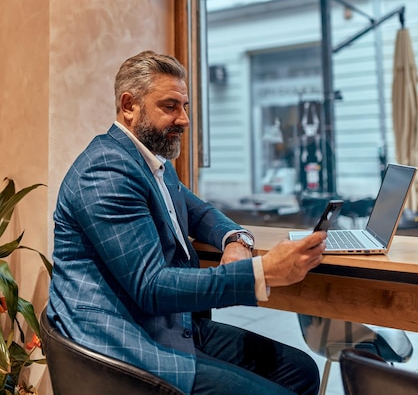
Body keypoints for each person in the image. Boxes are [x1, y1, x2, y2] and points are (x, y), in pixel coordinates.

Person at [47, 50, 326, 395]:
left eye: (185, 106)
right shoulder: (105, 171)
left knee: (301, 371)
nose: (184, 119)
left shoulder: (153, 161)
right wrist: (262, 272)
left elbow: (201, 212)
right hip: (125, 339)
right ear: (129, 105)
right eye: (170, 106)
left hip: (165, 323)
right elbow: (151, 287)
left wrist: (235, 240)